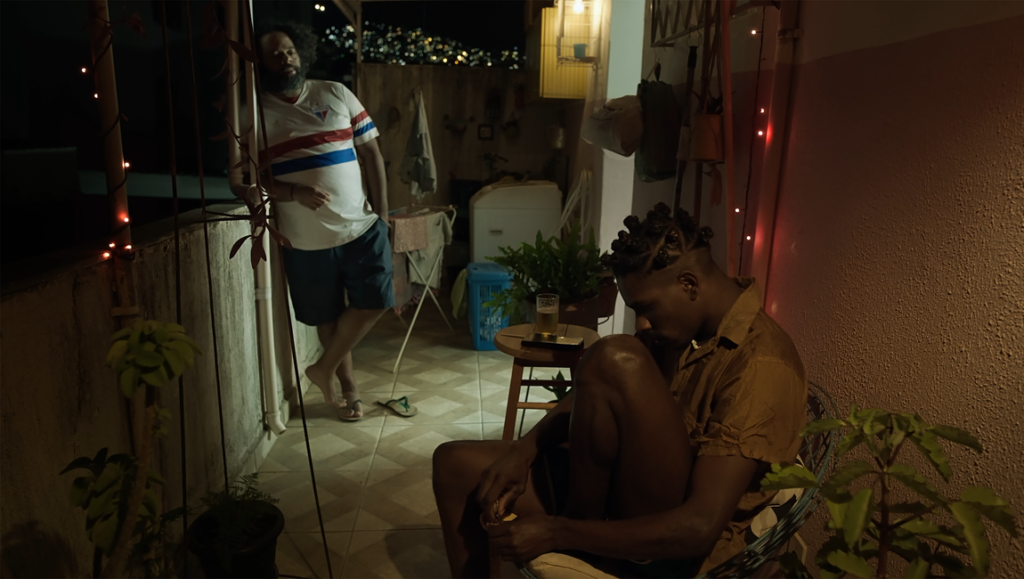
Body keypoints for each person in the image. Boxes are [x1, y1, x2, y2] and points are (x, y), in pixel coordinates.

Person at [432, 203, 807, 577]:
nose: (642, 322)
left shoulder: (761, 366)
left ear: (689, 284)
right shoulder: (687, 330)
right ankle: (577, 523)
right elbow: (599, 391)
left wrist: (560, 532)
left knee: (615, 355)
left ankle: (585, 545)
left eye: (646, 308)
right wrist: (524, 448)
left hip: (668, 543)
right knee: (454, 466)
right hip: (618, 490)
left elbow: (698, 527)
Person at [230, 20, 390, 421]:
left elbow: (372, 155)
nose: (285, 57)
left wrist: (384, 214)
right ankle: (347, 391)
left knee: (376, 301)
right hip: (303, 240)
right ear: (261, 64)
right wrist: (292, 193)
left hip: (360, 226)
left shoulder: (335, 93)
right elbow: (243, 180)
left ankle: (321, 369)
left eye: (289, 49)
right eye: (274, 53)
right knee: (326, 316)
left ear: (301, 52)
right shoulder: (253, 114)